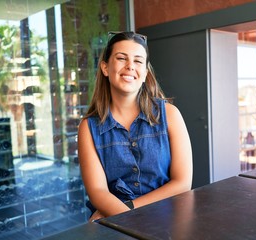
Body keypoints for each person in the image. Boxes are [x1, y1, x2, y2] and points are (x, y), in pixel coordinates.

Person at [77, 31, 193, 221]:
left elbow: (182, 183)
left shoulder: (171, 115)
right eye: (121, 58)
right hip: (114, 225)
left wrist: (126, 212)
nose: (130, 66)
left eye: (138, 61)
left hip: (164, 219)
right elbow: (98, 192)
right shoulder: (88, 127)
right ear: (105, 68)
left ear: (145, 73)